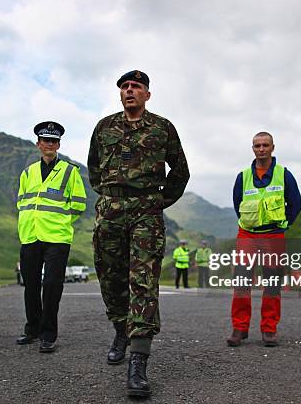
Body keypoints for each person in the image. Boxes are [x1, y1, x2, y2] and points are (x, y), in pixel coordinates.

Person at [87, 70, 189, 397]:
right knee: (110, 276)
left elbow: (180, 170)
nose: (130, 91)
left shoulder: (162, 128)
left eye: (137, 87)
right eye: (125, 87)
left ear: (147, 94)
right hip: (111, 211)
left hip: (146, 211)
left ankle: (138, 360)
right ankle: (120, 329)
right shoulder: (104, 127)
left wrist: (159, 201)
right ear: (120, 94)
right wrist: (109, 197)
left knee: (143, 282)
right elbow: (93, 170)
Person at [15, 121, 87, 353]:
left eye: (54, 141)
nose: (49, 144)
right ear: (38, 144)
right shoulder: (27, 173)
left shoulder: (70, 171)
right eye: (45, 140)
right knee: (31, 286)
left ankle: (48, 334)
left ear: (58, 144)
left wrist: (61, 222)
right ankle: (32, 330)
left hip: (57, 238)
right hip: (30, 236)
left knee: (52, 286)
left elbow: (78, 204)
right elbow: (22, 202)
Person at [227, 131, 301, 348]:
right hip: (247, 235)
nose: (261, 149)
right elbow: (237, 204)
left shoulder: (284, 174)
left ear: (272, 147)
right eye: (257, 145)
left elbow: (295, 204)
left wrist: (284, 225)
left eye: (265, 145)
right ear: (253, 148)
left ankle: (269, 330)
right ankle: (239, 329)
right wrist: (249, 224)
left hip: (273, 235)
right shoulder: (243, 176)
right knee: (241, 283)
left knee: (271, 285)